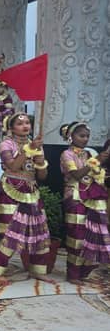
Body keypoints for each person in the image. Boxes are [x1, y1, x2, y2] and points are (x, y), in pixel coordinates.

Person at [0, 113, 52, 284]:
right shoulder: (5, 144)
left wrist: (40, 162)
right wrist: (29, 150)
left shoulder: (36, 145)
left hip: (31, 190)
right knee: (9, 231)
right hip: (11, 189)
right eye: (20, 123)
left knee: (39, 231)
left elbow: (42, 176)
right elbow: (13, 166)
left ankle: (38, 270)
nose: (25, 126)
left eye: (27, 123)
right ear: (11, 128)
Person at [59, 122, 110, 284]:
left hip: (92, 197)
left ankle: (83, 272)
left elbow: (97, 175)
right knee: (77, 236)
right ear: (70, 137)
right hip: (74, 196)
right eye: (81, 135)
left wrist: (100, 166)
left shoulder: (89, 153)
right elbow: (76, 175)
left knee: (94, 235)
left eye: (87, 136)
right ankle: (72, 274)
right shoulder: (67, 154)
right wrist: (95, 161)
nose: (85, 139)